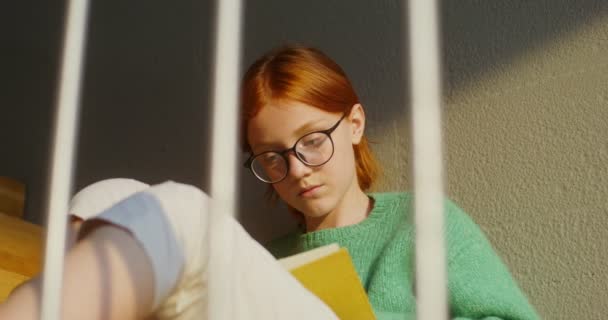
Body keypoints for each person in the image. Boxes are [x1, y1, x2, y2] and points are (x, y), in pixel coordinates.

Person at [0, 45, 540, 320]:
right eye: (272, 157)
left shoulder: (421, 222)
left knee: (184, 214)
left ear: (354, 124)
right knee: (110, 195)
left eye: (312, 141)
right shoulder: (274, 256)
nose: (297, 168)